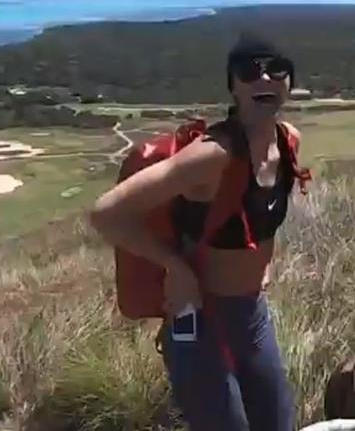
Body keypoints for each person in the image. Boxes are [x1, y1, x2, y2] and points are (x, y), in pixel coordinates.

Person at [90, 33, 307, 431]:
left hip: (252, 315)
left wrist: (262, 268)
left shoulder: (288, 140)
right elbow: (107, 212)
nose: (264, 80)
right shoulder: (212, 156)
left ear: (290, 82)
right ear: (234, 87)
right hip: (199, 320)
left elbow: (258, 219)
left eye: (277, 70)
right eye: (249, 72)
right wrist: (177, 268)